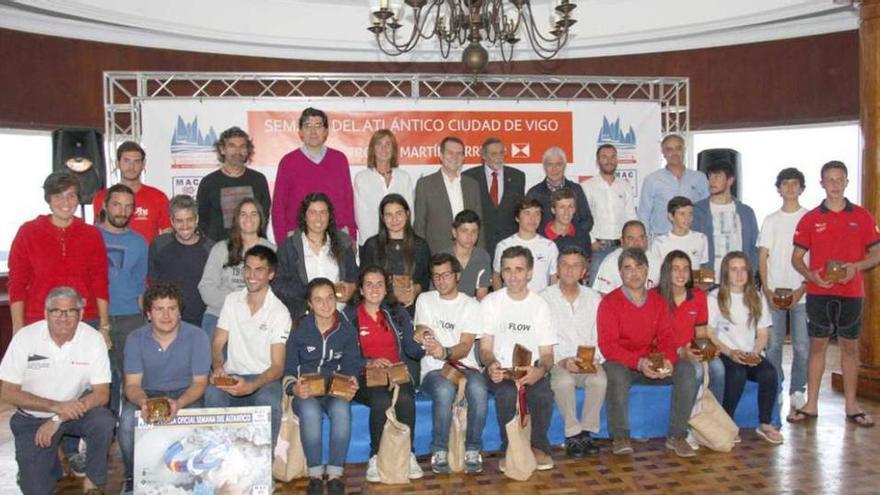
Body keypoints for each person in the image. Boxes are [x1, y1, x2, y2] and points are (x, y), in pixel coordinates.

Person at [790, 160, 880, 426]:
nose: (835, 185)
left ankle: (852, 406)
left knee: (850, 349)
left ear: (847, 182)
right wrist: (811, 276)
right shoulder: (810, 219)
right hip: (819, 292)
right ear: (822, 184)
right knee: (817, 347)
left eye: (840, 179)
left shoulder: (862, 216)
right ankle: (811, 405)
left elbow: (876, 253)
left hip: (852, 292)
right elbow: (796, 258)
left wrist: (856, 268)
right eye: (830, 180)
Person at [0, 287, 113, 495]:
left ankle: (93, 483)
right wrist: (55, 407)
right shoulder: (25, 338)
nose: (63, 317)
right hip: (32, 419)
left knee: (103, 420)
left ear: (80, 314)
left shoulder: (93, 339)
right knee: (36, 489)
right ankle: (47, 464)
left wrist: (57, 417)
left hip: (72, 413)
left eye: (70, 311)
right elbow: (7, 392)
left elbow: (102, 394)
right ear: (45, 313)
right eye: (56, 311)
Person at [598, 248, 699, 458]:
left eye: (639, 267)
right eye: (628, 268)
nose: (634, 273)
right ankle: (620, 436)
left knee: (687, 368)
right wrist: (639, 363)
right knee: (614, 371)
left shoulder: (658, 301)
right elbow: (608, 347)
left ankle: (677, 436)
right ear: (620, 273)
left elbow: (666, 338)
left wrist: (668, 361)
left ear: (647, 271)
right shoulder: (609, 303)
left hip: (652, 363)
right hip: (625, 364)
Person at [117, 282, 210, 494]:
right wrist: (143, 403)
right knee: (127, 423)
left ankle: (195, 479)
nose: (166, 315)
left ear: (180, 312)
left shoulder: (198, 337)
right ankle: (133, 477)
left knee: (196, 415)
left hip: (186, 393)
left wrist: (179, 404)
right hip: (147, 393)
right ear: (148, 314)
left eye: (172, 309)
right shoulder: (134, 339)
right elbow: (132, 385)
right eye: (159, 309)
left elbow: (200, 383)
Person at [342, 265, 425, 482]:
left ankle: (409, 454)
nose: (374, 288)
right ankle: (375, 456)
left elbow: (412, 349)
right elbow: (345, 356)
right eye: (368, 284)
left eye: (379, 284)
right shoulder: (349, 316)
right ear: (360, 289)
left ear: (386, 288)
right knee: (380, 398)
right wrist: (369, 362)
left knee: (406, 398)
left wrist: (423, 341)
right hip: (364, 375)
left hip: (396, 373)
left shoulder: (397, 313)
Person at [480, 246, 557, 471]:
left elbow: (547, 355)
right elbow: (485, 349)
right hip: (499, 368)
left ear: (530, 273)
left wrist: (539, 371)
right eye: (508, 270)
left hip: (530, 369)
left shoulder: (540, 306)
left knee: (543, 392)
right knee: (506, 392)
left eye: (519, 269)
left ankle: (539, 446)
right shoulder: (491, 302)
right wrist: (491, 364)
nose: (513, 276)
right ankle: (510, 448)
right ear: (501, 273)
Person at [284, 278, 364, 495]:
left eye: (330, 298)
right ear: (309, 304)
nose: (326, 305)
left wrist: (352, 382)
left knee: (341, 410)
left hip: (334, 391)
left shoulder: (346, 329)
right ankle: (316, 475)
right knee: (309, 411)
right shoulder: (299, 329)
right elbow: (288, 371)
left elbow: (352, 367)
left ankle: (336, 474)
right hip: (306, 392)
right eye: (318, 300)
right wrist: (294, 389)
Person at [204, 245, 291, 443]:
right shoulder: (231, 300)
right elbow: (217, 342)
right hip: (232, 373)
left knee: (267, 400)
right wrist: (218, 367)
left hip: (264, 378)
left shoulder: (279, 312)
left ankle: (264, 468)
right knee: (212, 394)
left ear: (271, 274)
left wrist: (252, 385)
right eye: (248, 268)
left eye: (259, 270)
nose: (251, 275)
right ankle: (217, 460)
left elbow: (277, 367)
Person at [9, 171, 109, 337]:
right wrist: (18, 329)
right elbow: (17, 284)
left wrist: (104, 327)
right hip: (39, 322)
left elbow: (100, 282)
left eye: (71, 196)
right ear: (48, 199)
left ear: (78, 199)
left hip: (84, 321)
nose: (66, 202)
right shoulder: (28, 233)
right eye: (58, 196)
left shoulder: (92, 235)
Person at [415, 253, 488, 474]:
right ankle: (439, 449)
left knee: (479, 389)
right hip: (434, 370)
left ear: (457, 275)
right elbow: (421, 328)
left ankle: (473, 448)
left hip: (465, 366)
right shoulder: (425, 299)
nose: (441, 280)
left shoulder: (471, 304)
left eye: (446, 275)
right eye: (436, 276)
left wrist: (444, 351)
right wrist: (424, 334)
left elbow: (465, 346)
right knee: (444, 390)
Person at [708, 252, 783, 444]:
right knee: (737, 374)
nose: (739, 275)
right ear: (725, 273)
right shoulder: (714, 297)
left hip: (749, 351)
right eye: (734, 270)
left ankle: (765, 424)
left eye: (743, 270)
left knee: (769, 373)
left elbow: (763, 333)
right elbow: (709, 334)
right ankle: (727, 422)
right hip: (725, 352)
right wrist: (731, 353)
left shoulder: (756, 297)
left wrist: (755, 353)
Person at [541, 246, 605, 458]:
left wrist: (597, 359)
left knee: (599, 380)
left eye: (575, 265)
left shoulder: (594, 298)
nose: (570, 270)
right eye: (565, 265)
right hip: (557, 362)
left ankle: (587, 432)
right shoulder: (543, 299)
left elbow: (600, 333)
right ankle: (572, 434)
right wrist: (561, 361)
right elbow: (541, 340)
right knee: (564, 382)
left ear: (584, 271)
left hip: (588, 361)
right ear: (557, 269)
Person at [757, 167, 809, 420]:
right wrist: (766, 289)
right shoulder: (771, 220)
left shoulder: (810, 219)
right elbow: (763, 257)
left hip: (803, 293)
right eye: (785, 183)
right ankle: (775, 386)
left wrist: (803, 288)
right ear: (778, 188)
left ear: (802, 188)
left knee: (802, 346)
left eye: (794, 183)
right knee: (774, 344)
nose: (789, 188)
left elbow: (817, 258)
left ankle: (798, 391)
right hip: (774, 292)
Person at [97, 183, 148, 414]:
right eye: (117, 204)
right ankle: (105, 433)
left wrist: (145, 322)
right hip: (95, 318)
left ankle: (129, 431)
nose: (122, 211)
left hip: (130, 318)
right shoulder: (90, 235)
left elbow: (140, 286)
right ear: (105, 205)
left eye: (128, 206)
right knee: (100, 379)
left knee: (132, 378)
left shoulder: (139, 242)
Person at [273, 107, 357, 244]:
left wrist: (351, 236)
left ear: (326, 132)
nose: (313, 131)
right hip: (298, 237)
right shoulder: (288, 162)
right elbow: (278, 206)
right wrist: (282, 241)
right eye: (307, 126)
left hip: (336, 236)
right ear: (300, 132)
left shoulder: (339, 159)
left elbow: (348, 200)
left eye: (318, 126)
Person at [198, 198, 275, 340]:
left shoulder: (271, 250)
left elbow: (276, 289)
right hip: (219, 315)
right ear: (236, 219)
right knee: (217, 358)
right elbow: (206, 287)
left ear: (261, 219)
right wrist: (235, 305)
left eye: (253, 214)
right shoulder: (221, 248)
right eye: (243, 214)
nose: (248, 219)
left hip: (257, 317)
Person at [273, 193, 358, 320]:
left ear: (329, 216)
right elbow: (277, 284)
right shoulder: (288, 247)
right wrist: (308, 294)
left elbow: (354, 277)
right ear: (305, 217)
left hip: (339, 317)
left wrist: (352, 287)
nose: (318, 218)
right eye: (312, 212)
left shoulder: (343, 243)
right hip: (303, 317)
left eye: (323, 212)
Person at [655, 250, 724, 402]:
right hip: (665, 352)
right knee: (696, 370)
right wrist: (681, 351)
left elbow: (701, 334)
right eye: (676, 269)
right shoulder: (655, 297)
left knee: (718, 367)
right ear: (667, 271)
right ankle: (688, 417)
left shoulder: (698, 296)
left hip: (690, 350)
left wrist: (708, 350)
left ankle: (717, 417)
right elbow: (652, 339)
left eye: (686, 269)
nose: (681, 273)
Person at [148, 194, 215, 326]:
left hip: (202, 320)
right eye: (179, 220)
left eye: (189, 220)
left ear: (197, 219)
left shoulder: (211, 248)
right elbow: (153, 284)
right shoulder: (159, 245)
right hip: (167, 320)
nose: (185, 226)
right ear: (172, 221)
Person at [197, 126, 271, 242]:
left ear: (247, 150)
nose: (238, 151)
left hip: (252, 248)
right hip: (218, 248)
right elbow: (202, 219)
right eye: (232, 146)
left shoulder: (258, 180)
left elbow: (263, 216)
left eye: (242, 146)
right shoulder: (209, 183)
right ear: (222, 149)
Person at [360, 194, 431, 311]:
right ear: (382, 218)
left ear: (407, 214)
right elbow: (363, 280)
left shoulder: (421, 245)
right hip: (379, 310)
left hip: (413, 309)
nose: (394, 219)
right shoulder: (372, 245)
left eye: (399, 213)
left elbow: (426, 278)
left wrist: (415, 290)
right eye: (389, 215)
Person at [413, 136, 484, 254]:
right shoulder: (425, 185)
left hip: (468, 255)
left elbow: (479, 222)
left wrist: (480, 255)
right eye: (450, 153)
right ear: (441, 155)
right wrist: (421, 257)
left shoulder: (472, 185)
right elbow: (419, 226)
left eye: (459, 154)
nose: (454, 157)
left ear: (463, 157)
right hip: (437, 255)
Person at [92, 141, 170, 244]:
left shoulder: (158, 197)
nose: (131, 167)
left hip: (147, 258)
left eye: (136, 162)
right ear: (117, 163)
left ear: (143, 164)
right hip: (111, 257)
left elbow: (167, 236)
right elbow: (97, 233)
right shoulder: (101, 197)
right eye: (126, 161)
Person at [462, 137, 526, 263]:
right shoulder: (469, 177)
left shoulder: (518, 176)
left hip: (510, 247)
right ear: (483, 156)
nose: (499, 157)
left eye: (501, 152)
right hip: (480, 245)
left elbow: (520, 211)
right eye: (494, 153)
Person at [582, 144, 637, 285]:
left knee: (625, 287)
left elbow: (631, 216)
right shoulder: (587, 186)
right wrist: (591, 241)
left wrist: (632, 241)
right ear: (597, 161)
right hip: (598, 248)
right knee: (595, 288)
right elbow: (582, 218)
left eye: (613, 157)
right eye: (604, 157)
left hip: (622, 247)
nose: (609, 161)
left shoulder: (624, 186)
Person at [692, 160, 759, 274]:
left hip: (740, 279)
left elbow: (755, 247)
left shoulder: (746, 212)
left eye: (717, 176)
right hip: (708, 279)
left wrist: (750, 272)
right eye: (710, 176)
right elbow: (691, 245)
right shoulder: (697, 210)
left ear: (730, 180)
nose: (712, 181)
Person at [638, 134, 709, 238]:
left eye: (678, 148)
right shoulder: (652, 180)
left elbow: (706, 210)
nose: (674, 153)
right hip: (662, 240)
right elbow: (643, 215)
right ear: (663, 153)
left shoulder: (699, 178)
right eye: (669, 149)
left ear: (684, 150)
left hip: (692, 238)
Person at [354, 129, 414, 246]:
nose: (384, 148)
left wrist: (400, 239)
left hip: (400, 242)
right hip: (371, 243)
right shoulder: (362, 178)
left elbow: (409, 212)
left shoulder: (404, 177)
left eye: (388, 144)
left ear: (393, 149)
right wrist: (374, 244)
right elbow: (361, 217)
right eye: (379, 144)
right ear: (373, 149)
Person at [492, 198, 559, 292]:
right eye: (527, 213)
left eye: (537, 213)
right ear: (517, 218)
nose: (533, 218)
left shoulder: (549, 246)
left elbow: (554, 278)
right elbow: (496, 276)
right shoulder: (504, 245)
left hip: (540, 303)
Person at [526, 146, 593, 238]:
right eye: (550, 165)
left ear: (565, 166)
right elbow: (528, 222)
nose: (554, 169)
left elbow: (587, 220)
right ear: (544, 167)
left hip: (572, 244)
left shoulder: (576, 189)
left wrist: (570, 233)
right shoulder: (534, 193)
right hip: (544, 245)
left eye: (558, 164)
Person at [593, 220, 662, 296]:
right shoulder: (610, 263)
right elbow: (604, 297)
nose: (637, 242)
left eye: (641, 237)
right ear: (622, 241)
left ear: (646, 239)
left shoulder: (657, 261)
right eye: (631, 238)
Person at [442, 209, 493, 300]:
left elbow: (482, 297)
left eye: (474, 231)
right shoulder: (443, 258)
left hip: (472, 309)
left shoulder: (482, 256)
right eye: (464, 231)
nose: (469, 236)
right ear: (454, 233)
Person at [650, 196, 709, 268]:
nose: (687, 218)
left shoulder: (701, 238)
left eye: (690, 214)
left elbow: (703, 269)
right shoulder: (659, 243)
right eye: (682, 214)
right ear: (671, 216)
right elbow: (656, 272)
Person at [543, 188, 592, 257]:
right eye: (562, 207)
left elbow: (586, 264)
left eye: (570, 207)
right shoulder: (541, 236)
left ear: (575, 209)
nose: (566, 212)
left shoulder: (583, 235)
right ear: (553, 210)